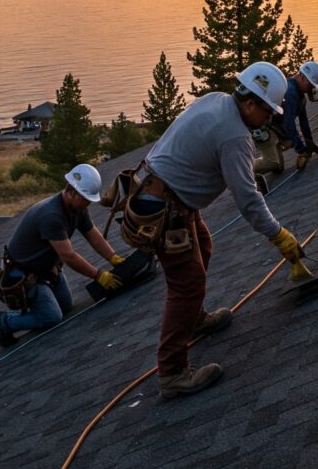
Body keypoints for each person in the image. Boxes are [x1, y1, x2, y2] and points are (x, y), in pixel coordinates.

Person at [128, 61, 306, 399]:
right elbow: (248, 201)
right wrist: (279, 235)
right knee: (186, 284)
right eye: (267, 112)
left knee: (203, 247)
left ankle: (193, 320)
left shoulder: (217, 100)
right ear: (251, 102)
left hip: (163, 195)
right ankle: (172, 373)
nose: (269, 119)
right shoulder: (235, 136)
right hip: (163, 209)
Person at [0, 164, 123, 347]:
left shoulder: (78, 208)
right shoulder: (51, 215)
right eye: (85, 198)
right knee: (52, 317)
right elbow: (68, 256)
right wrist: (98, 275)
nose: (88, 203)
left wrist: (113, 257)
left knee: (66, 306)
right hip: (24, 275)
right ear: (72, 192)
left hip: (47, 270)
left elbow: (92, 234)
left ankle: (41, 303)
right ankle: (4, 321)